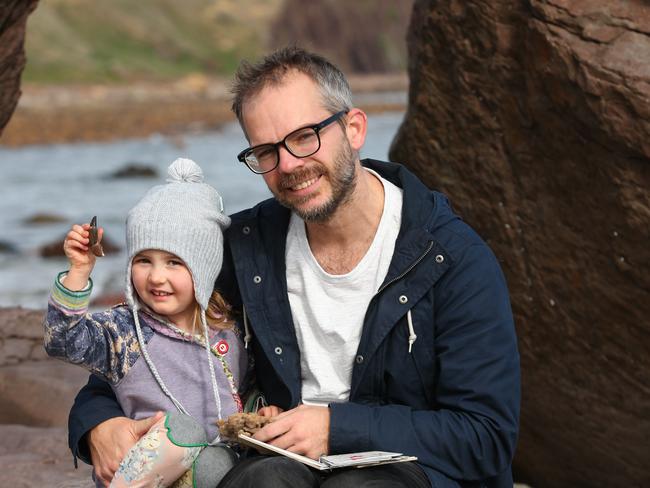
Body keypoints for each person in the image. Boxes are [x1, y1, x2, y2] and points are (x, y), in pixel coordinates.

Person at [68, 47, 521, 488]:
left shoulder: (451, 257)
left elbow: (487, 436)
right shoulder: (245, 250)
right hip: (274, 463)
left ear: (355, 128)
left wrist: (337, 428)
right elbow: (142, 351)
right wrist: (96, 423)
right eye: (265, 151)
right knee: (264, 480)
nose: (288, 165)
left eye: (305, 136)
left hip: (412, 471)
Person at [44, 158, 248, 487]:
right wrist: (78, 274)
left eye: (173, 262)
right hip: (144, 470)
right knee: (183, 429)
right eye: (143, 260)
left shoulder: (232, 327)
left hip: (211, 471)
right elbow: (62, 341)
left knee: (218, 459)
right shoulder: (125, 331)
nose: (156, 277)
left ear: (204, 267)